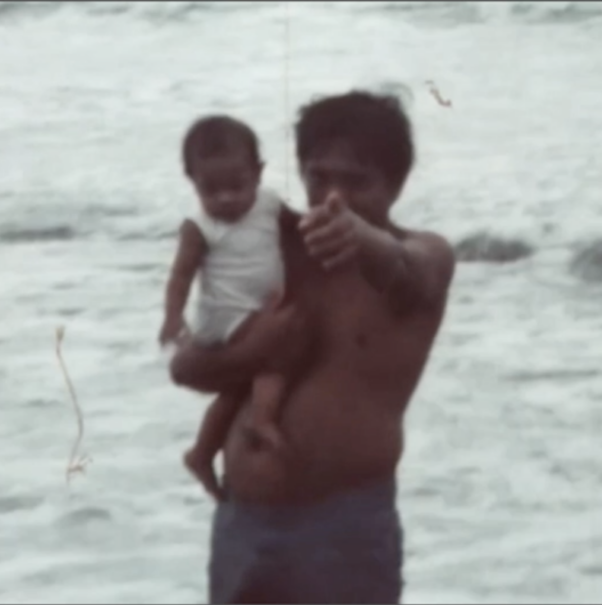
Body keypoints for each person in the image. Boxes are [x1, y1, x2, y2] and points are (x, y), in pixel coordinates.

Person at [169, 90, 456, 604]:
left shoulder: (425, 254)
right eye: (319, 177)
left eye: (356, 181)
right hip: (243, 523)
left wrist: (362, 238)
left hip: (343, 526)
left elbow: (409, 272)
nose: (332, 197)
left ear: (396, 184)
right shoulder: (279, 255)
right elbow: (186, 367)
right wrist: (252, 351)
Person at [160, 115, 308, 502]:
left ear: (258, 174)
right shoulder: (199, 226)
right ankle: (261, 420)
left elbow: (301, 226)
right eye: (211, 190)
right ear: (191, 180)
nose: (225, 198)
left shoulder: (270, 206)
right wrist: (173, 318)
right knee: (277, 353)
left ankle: (202, 452)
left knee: (238, 389)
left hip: (253, 310)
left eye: (236, 186)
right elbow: (180, 276)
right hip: (225, 317)